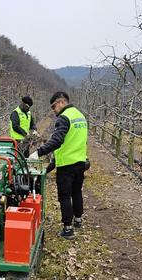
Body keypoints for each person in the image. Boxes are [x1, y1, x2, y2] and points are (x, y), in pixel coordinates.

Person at [29, 91, 88, 240]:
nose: (54, 111)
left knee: (65, 196)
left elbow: (57, 140)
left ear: (61, 102)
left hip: (67, 164)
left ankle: (67, 229)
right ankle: (78, 219)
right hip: (80, 161)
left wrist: (38, 152)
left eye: (54, 106)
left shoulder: (64, 118)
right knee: (77, 191)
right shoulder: (80, 116)